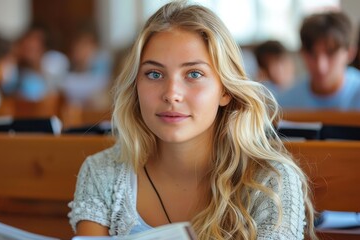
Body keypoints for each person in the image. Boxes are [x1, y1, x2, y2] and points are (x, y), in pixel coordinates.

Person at [68, 2, 316, 240]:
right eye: (154, 74)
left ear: (225, 90)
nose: (171, 94)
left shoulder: (270, 182)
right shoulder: (102, 172)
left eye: (194, 74)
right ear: (136, 86)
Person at [277, 11, 360, 109]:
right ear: (302, 53)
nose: (320, 66)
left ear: (350, 53)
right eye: (312, 54)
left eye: (331, 53)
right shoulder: (284, 104)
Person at [60, 22, 112, 108]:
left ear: (95, 45)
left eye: (84, 45)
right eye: (77, 45)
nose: (79, 49)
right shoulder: (74, 65)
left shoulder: (101, 60)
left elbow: (96, 85)